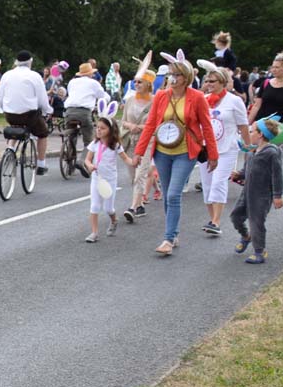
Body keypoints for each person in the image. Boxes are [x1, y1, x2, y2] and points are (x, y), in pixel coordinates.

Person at [133, 53, 218, 256]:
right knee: (166, 194)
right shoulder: (162, 96)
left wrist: (213, 154)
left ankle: (169, 238)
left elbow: (207, 127)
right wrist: (139, 152)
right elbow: (151, 125)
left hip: (185, 152)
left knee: (173, 194)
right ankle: (173, 232)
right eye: (171, 74)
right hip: (162, 151)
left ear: (186, 77)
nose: (173, 78)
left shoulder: (197, 97)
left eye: (177, 75)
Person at [198, 65, 250, 235]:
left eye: (212, 81)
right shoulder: (204, 99)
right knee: (207, 185)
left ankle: (216, 221)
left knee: (218, 182)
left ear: (222, 82)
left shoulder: (234, 101)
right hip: (206, 149)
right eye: (207, 81)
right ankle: (212, 220)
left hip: (227, 148)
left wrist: (249, 147)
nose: (208, 84)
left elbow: (243, 125)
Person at [230, 118, 283, 264]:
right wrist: (239, 174)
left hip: (261, 195)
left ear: (261, 134)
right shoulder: (251, 151)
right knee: (235, 216)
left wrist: (277, 195)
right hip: (246, 193)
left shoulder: (272, 152)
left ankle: (259, 251)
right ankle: (246, 236)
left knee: (256, 223)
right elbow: (247, 168)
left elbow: (277, 175)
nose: (249, 133)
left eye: (252, 131)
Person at [0, 50, 53, 174]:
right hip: (29, 115)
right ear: (30, 62)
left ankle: (10, 150)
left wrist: (5, 108)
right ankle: (41, 164)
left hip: (10, 114)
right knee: (42, 133)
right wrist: (47, 111)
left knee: (15, 127)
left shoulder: (6, 75)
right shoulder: (35, 76)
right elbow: (42, 100)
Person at [83, 113, 133, 242]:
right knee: (94, 206)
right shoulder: (94, 143)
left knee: (108, 208)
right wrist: (89, 165)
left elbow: (125, 158)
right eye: (97, 127)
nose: (98, 130)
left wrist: (134, 163)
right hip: (96, 179)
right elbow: (87, 159)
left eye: (102, 128)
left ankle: (114, 220)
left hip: (110, 180)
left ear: (110, 130)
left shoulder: (115, 145)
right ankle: (94, 233)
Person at [120, 70, 157, 222]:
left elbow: (157, 123)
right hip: (130, 140)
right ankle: (140, 204)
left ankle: (133, 207)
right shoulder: (130, 100)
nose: (136, 84)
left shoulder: (155, 101)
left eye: (140, 82)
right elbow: (122, 120)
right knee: (132, 174)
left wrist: (141, 127)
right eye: (135, 81)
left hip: (147, 140)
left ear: (148, 83)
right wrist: (130, 125)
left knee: (140, 174)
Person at [64, 61, 110, 149]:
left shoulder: (72, 82)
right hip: (84, 112)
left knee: (71, 132)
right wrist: (108, 99)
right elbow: (102, 96)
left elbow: (70, 94)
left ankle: (70, 149)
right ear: (90, 73)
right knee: (88, 135)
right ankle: (85, 155)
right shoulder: (94, 83)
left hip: (69, 111)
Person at [249, 53, 283, 123]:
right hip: (260, 125)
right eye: (273, 67)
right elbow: (256, 106)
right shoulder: (266, 83)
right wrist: (248, 123)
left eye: (277, 67)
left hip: (279, 127)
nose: (273, 70)